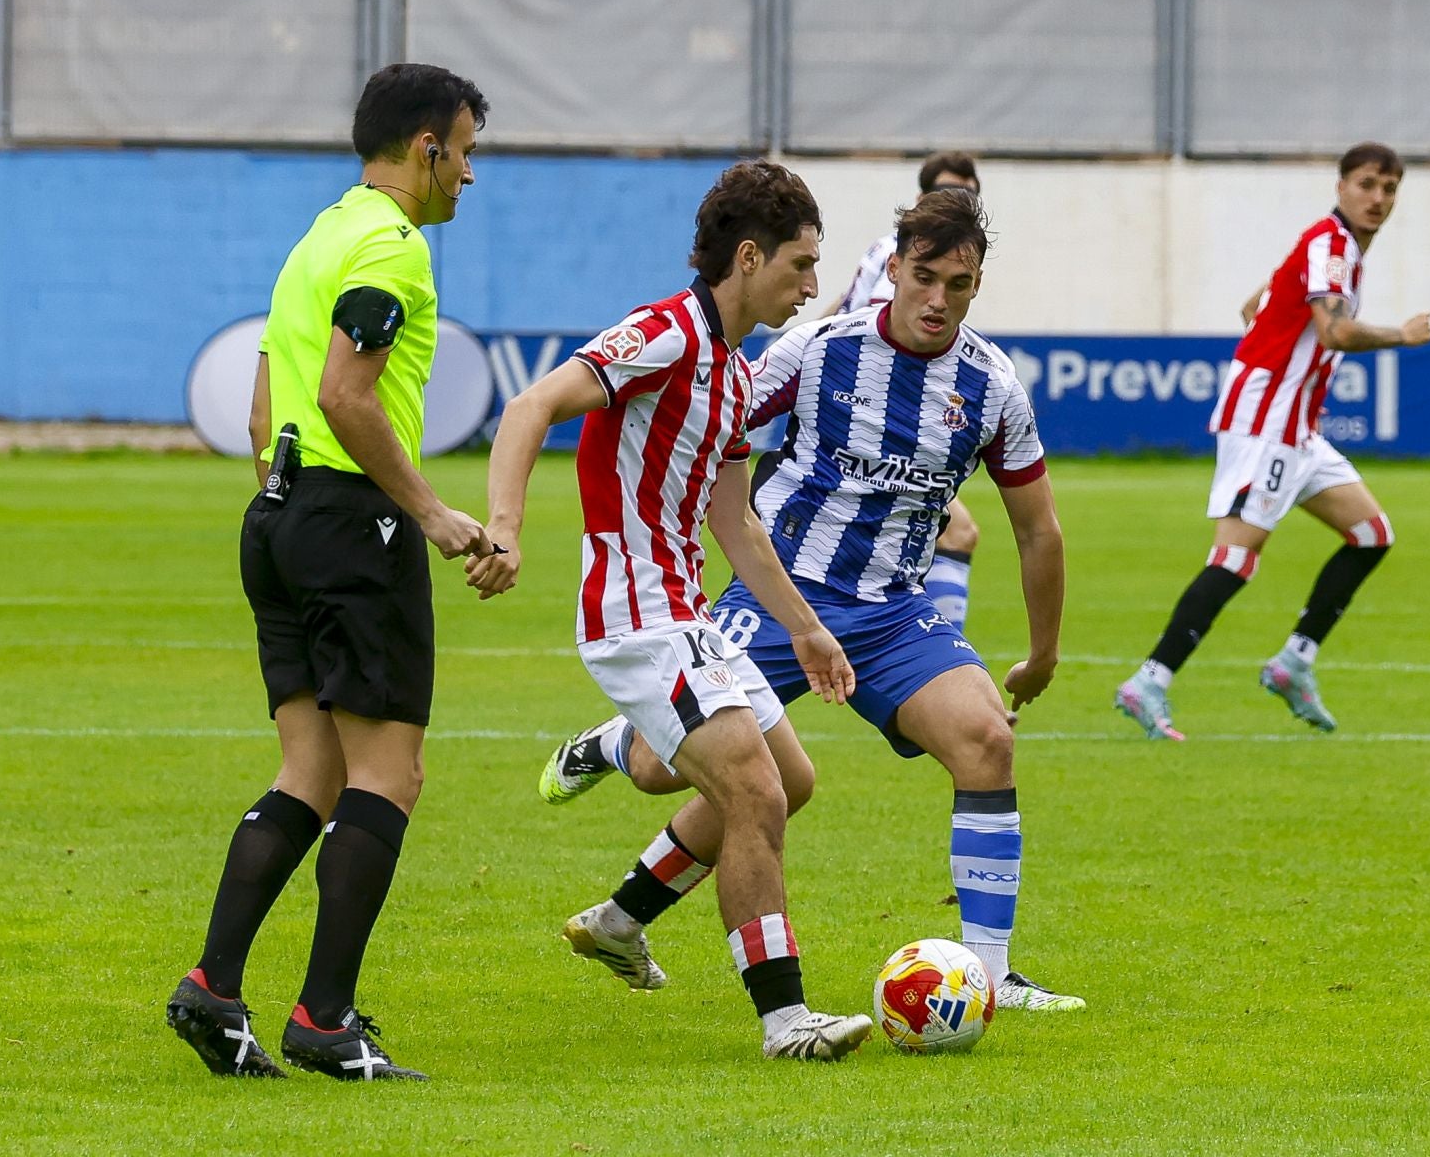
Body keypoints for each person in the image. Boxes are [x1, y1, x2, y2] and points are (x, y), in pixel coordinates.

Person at [536, 188, 1084, 1013]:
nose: (938, 299)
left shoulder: (994, 387)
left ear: (977, 287)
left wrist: (1042, 653)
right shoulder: (817, 350)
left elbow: (1039, 531)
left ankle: (992, 974)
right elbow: (704, 422)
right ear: (892, 269)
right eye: (924, 276)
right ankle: (617, 745)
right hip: (783, 595)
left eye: (959, 285)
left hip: (896, 612)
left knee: (985, 742)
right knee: (669, 770)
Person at [464, 161, 873, 1062]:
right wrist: (505, 527)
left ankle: (617, 915)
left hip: (685, 615)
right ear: (751, 255)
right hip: (635, 615)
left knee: (786, 782)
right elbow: (532, 406)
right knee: (753, 788)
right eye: (802, 266)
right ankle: (785, 1022)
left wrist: (806, 628)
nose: (811, 286)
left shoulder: (732, 372)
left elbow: (736, 519)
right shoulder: (666, 333)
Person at [166, 63, 493, 1081]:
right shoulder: (392, 249)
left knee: (310, 773)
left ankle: (213, 990)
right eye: (466, 151)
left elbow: (269, 409)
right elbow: (350, 396)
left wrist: (291, 506)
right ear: (426, 146)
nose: (470, 177)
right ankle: (326, 1015)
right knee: (390, 773)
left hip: (278, 517)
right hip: (354, 525)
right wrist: (426, 509)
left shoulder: (319, 235)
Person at [1116, 142, 1430, 741]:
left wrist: (1277, 334)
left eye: (1389, 189)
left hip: (1295, 425)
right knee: (1235, 558)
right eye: (1367, 184)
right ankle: (1149, 680)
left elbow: (1252, 306)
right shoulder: (1333, 244)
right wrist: (1402, 336)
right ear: (1340, 186)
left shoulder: (1328, 248)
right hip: (1268, 422)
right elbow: (1334, 330)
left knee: (1371, 535)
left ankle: (1294, 662)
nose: (1378, 199)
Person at [821, 151, 983, 631]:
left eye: (969, 195)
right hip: (861, 419)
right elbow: (877, 331)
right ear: (920, 201)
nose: (961, 202)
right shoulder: (906, 255)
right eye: (948, 194)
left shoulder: (886, 251)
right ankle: (944, 673)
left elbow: (841, 308)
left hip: (855, 412)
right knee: (957, 533)